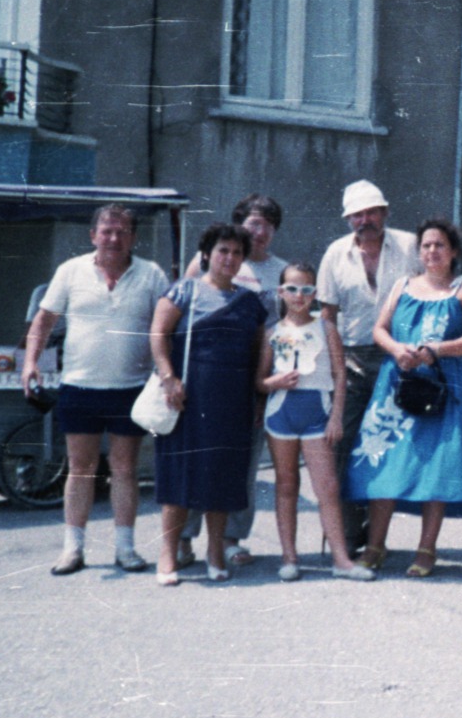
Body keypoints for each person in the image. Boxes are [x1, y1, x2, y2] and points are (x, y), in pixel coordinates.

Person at [22, 205, 170, 575]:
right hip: (80, 386)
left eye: (122, 232)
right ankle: (72, 549)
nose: (114, 238)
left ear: (134, 238)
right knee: (81, 469)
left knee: (124, 469)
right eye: (106, 231)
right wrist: (29, 363)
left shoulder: (151, 274)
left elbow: (168, 325)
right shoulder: (70, 271)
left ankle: (125, 548)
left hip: (131, 388)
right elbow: (43, 320)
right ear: (93, 235)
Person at [347, 219, 462, 576]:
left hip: (445, 390)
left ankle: (427, 549)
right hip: (398, 386)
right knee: (386, 463)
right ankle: (375, 545)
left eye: (439, 245)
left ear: (453, 251)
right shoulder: (403, 285)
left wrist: (437, 350)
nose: (432, 252)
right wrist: (398, 350)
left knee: (437, 469)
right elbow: (379, 329)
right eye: (426, 246)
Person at [149, 224, 269, 586]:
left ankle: (215, 553)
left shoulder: (251, 303)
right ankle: (167, 555)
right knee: (180, 477)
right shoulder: (182, 292)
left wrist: (257, 398)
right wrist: (169, 377)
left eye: (236, 253)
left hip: (231, 398)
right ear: (206, 254)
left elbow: (257, 354)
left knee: (222, 478)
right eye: (222, 251)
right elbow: (158, 336)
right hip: (187, 395)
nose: (229, 258)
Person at [180, 193, 287, 569]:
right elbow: (183, 317)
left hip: (255, 375)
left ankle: (231, 538)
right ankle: (184, 537)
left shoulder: (282, 271)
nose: (260, 232)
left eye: (268, 225)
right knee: (198, 457)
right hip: (206, 374)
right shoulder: (206, 263)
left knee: (243, 462)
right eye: (253, 223)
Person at [317, 180, 421, 554]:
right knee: (344, 445)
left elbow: (435, 290)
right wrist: (335, 367)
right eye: (357, 214)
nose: (365, 220)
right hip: (352, 358)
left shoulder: (411, 246)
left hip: (400, 356)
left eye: (371, 212)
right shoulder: (334, 255)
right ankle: (345, 535)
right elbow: (327, 316)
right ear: (349, 219)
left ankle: (376, 539)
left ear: (385, 212)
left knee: (390, 449)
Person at [257, 262, 374, 582]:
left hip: (318, 417)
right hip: (281, 415)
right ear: (281, 292)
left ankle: (341, 560)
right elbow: (260, 381)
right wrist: (275, 382)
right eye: (292, 289)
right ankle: (290, 557)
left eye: (306, 289)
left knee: (328, 487)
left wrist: (336, 416)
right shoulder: (273, 332)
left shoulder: (326, 328)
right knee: (286, 485)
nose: (299, 295)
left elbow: (339, 375)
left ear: (315, 294)